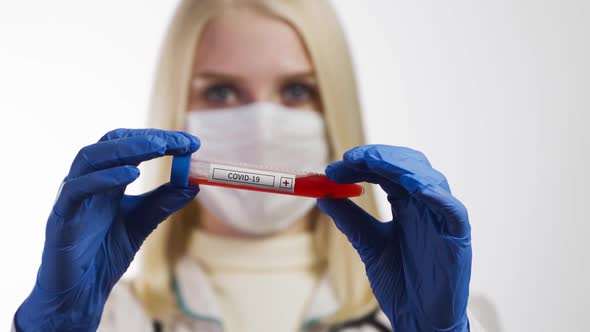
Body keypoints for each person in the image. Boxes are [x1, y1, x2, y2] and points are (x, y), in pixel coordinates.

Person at [13, 0, 481, 331]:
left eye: (297, 90)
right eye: (221, 92)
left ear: (334, 105)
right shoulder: (111, 321)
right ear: (177, 107)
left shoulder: (444, 316)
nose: (262, 127)